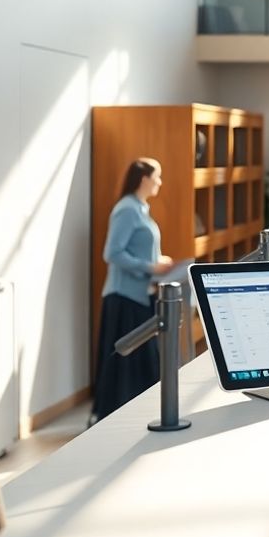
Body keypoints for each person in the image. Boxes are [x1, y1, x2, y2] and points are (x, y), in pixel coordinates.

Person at [91, 157, 174, 422]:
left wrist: (158, 263)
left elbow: (140, 247)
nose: (159, 182)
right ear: (144, 179)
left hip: (142, 295)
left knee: (144, 362)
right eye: (157, 176)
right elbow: (112, 253)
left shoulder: (140, 209)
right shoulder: (126, 209)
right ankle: (117, 418)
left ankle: (139, 416)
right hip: (124, 298)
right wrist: (150, 267)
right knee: (130, 363)